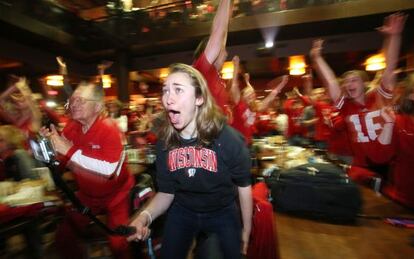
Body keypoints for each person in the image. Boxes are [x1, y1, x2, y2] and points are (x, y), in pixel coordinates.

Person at [127, 63, 253, 259]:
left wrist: (246, 229)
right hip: (183, 210)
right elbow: (166, 193)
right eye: (166, 90)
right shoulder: (164, 143)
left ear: (199, 98)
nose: (168, 98)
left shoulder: (227, 139)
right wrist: (143, 217)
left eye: (178, 89)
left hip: (222, 212)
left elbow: (244, 186)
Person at [39, 82, 135, 259]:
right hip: (87, 195)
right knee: (63, 237)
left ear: (97, 107)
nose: (74, 104)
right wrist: (47, 147)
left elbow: (109, 170)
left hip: (116, 195)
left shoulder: (110, 128)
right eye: (73, 100)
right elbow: (60, 162)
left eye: (81, 101)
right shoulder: (71, 127)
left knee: (118, 245)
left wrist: (69, 150)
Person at [310, 13, 406, 183]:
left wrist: (394, 36)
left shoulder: (379, 96)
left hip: (391, 163)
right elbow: (331, 82)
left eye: (354, 80)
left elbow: (390, 67)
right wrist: (317, 59)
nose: (348, 84)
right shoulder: (345, 106)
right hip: (361, 165)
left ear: (364, 83)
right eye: (346, 82)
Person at [371, 74, 414, 208]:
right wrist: (389, 124)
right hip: (403, 200)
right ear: (410, 95)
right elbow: (379, 157)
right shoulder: (400, 122)